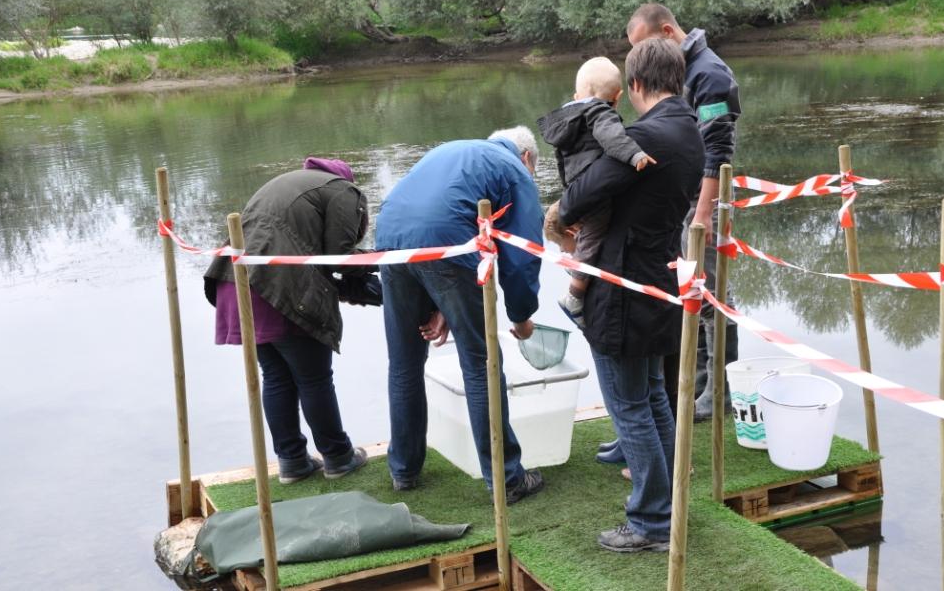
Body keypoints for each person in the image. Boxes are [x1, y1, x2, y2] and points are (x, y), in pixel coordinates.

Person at [559, 39, 703, 552]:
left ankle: (650, 522)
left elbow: (578, 197)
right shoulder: (691, 130)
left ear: (635, 85)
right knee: (653, 400)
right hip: (661, 278)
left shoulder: (645, 135)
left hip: (622, 287)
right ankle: (669, 508)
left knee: (629, 407)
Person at [375, 127, 546, 504]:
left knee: (403, 362)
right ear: (528, 159)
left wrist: (441, 306)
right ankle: (507, 479)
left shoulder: (452, 148)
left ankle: (404, 470)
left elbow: (438, 213)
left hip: (388, 237)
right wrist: (522, 317)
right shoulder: (514, 169)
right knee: (481, 361)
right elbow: (522, 257)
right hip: (441, 242)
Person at [203, 158, 374, 484]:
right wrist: (374, 267)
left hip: (238, 283)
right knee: (314, 378)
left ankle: (292, 462)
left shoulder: (294, 183)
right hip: (276, 285)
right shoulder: (344, 190)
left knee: (277, 376)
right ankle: (338, 456)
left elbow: (306, 248)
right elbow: (340, 254)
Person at [627, 2, 741, 422]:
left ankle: (721, 392)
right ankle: (694, 387)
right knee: (687, 292)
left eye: (646, 45)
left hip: (704, 204)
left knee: (710, 295)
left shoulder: (709, 75)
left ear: (669, 31)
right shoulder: (682, 72)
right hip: (682, 200)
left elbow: (719, 149)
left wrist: (704, 213)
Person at [537, 56, 655, 328]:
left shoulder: (568, 118)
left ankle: (576, 263)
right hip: (595, 186)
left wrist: (571, 193)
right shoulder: (600, 112)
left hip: (578, 184)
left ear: (577, 95)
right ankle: (575, 294)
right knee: (595, 233)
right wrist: (634, 154)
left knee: (586, 230)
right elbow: (613, 138)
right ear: (618, 96)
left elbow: (562, 160)